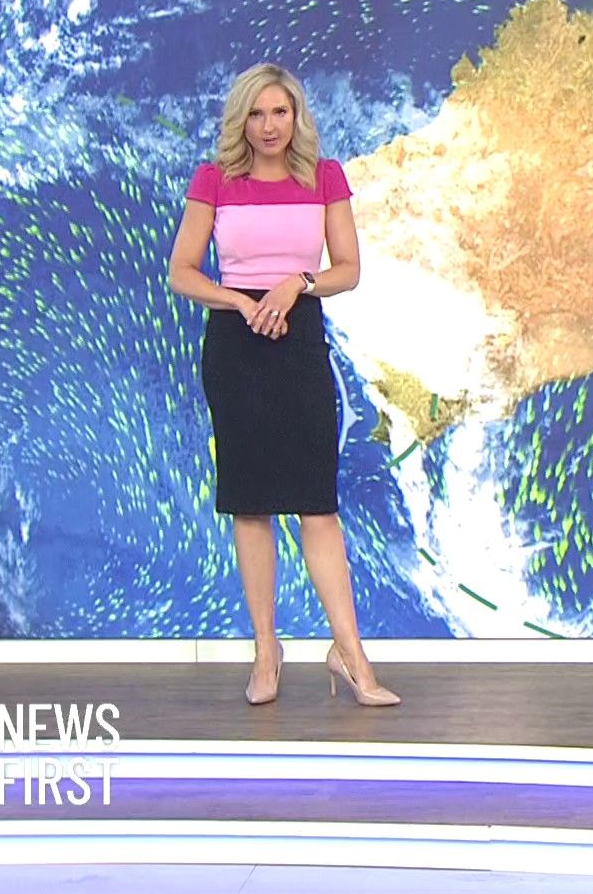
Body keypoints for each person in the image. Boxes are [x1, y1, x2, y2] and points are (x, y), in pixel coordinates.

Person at [168, 63, 400, 708]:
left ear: (296, 117)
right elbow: (182, 271)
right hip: (235, 344)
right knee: (252, 504)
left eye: (279, 112)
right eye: (256, 113)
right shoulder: (214, 181)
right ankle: (266, 651)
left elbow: (348, 268)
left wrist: (296, 283)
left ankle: (349, 653)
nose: (269, 126)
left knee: (316, 504)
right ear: (240, 120)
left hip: (298, 339)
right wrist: (240, 302)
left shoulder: (324, 178)